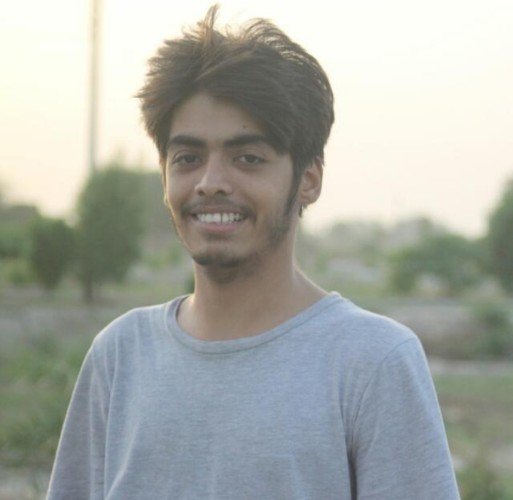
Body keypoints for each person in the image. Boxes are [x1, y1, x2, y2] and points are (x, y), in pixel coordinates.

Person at [47, 6, 460, 499]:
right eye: (188, 157)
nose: (210, 182)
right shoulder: (120, 356)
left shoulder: (372, 361)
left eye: (248, 158)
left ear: (308, 179)